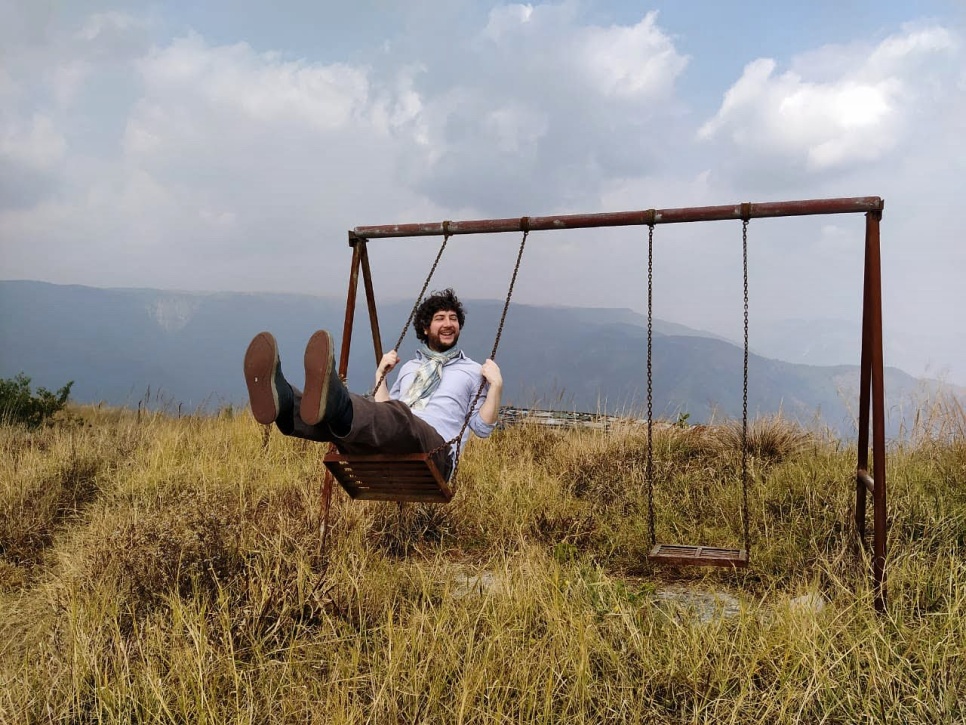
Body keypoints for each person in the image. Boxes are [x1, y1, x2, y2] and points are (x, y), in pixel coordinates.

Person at [243, 288, 503, 479]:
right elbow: (383, 415)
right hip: (397, 442)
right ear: (425, 328)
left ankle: (337, 401)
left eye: (453, 318)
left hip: (436, 452)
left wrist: (496, 387)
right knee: (347, 427)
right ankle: (287, 404)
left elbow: (482, 428)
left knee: (399, 417)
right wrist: (381, 376)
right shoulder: (410, 368)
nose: (448, 324)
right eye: (440, 318)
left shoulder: (472, 370)